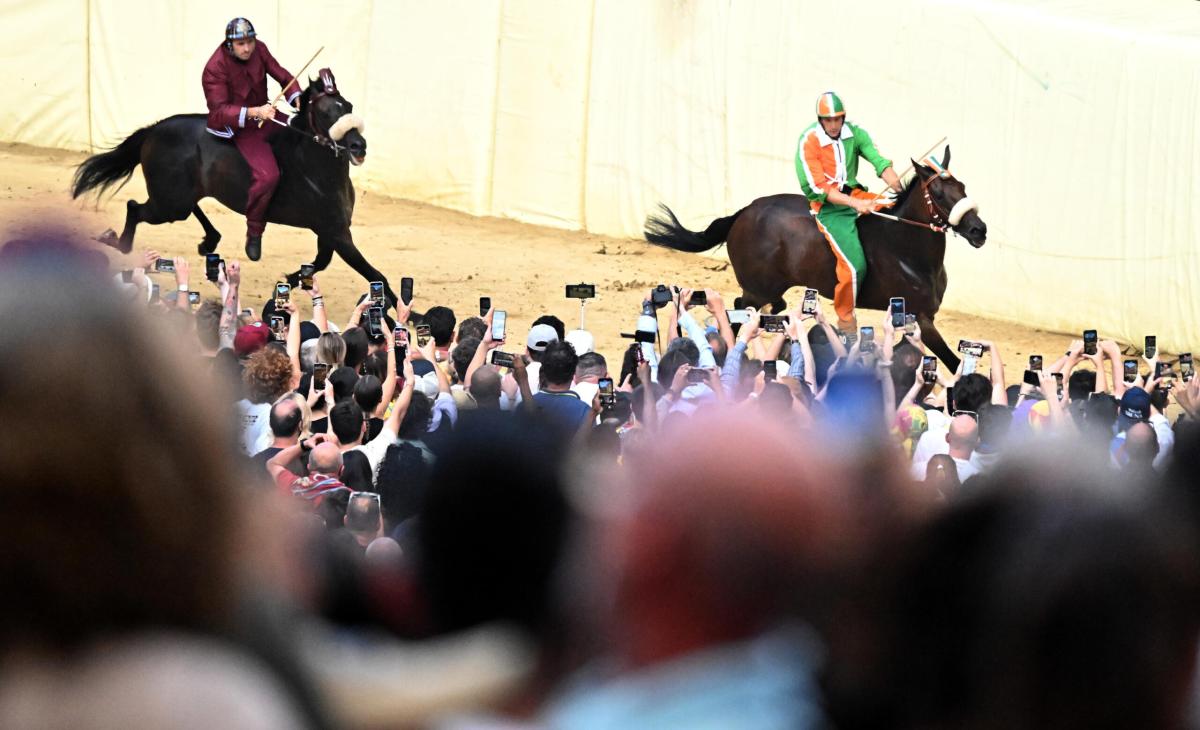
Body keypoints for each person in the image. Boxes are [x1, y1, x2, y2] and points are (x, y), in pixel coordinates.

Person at [795, 91, 902, 335]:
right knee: (855, 267)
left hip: (855, 194)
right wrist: (855, 205)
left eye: (838, 119)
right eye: (828, 120)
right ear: (820, 120)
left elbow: (878, 161)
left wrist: (897, 186)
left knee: (895, 209)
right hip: (830, 207)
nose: (834, 125)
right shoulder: (808, 141)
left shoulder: (855, 132)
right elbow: (818, 188)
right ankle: (845, 322)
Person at [201, 18, 300, 261]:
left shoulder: (260, 49)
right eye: (241, 43)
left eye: (250, 42)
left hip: (267, 114)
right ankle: (254, 230)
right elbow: (219, 111)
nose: (247, 48)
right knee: (269, 176)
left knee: (300, 136)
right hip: (241, 127)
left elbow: (283, 76)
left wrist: (296, 97)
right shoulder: (214, 68)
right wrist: (255, 112)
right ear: (230, 44)